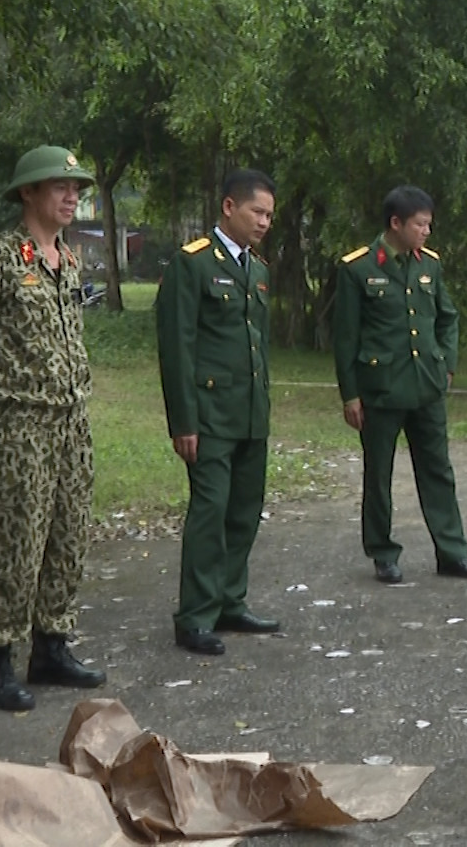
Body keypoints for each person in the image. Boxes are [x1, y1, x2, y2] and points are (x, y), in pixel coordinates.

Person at [0, 146, 106, 713]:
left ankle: (51, 646)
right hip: (19, 424)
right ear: (28, 194)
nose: (71, 197)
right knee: (16, 542)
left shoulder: (67, 259)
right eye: (59, 187)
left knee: (67, 535)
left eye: (76, 189)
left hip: (71, 420)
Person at [331, 186, 467, 585]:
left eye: (429, 224)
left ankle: (453, 552)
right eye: (420, 224)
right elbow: (345, 337)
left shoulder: (429, 266)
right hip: (380, 390)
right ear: (396, 223)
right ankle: (383, 553)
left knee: (438, 471)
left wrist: (446, 364)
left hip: (426, 387)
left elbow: (447, 317)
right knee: (379, 475)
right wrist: (350, 394)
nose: (427, 231)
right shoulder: (358, 268)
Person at [157, 169, 280, 655]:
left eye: (270, 214)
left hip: (249, 412)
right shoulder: (193, 265)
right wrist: (183, 421)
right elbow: (177, 347)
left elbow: (258, 348)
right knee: (210, 512)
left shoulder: (259, 270)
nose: (265, 222)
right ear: (229, 207)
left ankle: (231, 600)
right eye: (257, 212)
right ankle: (195, 615)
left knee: (244, 511)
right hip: (208, 416)